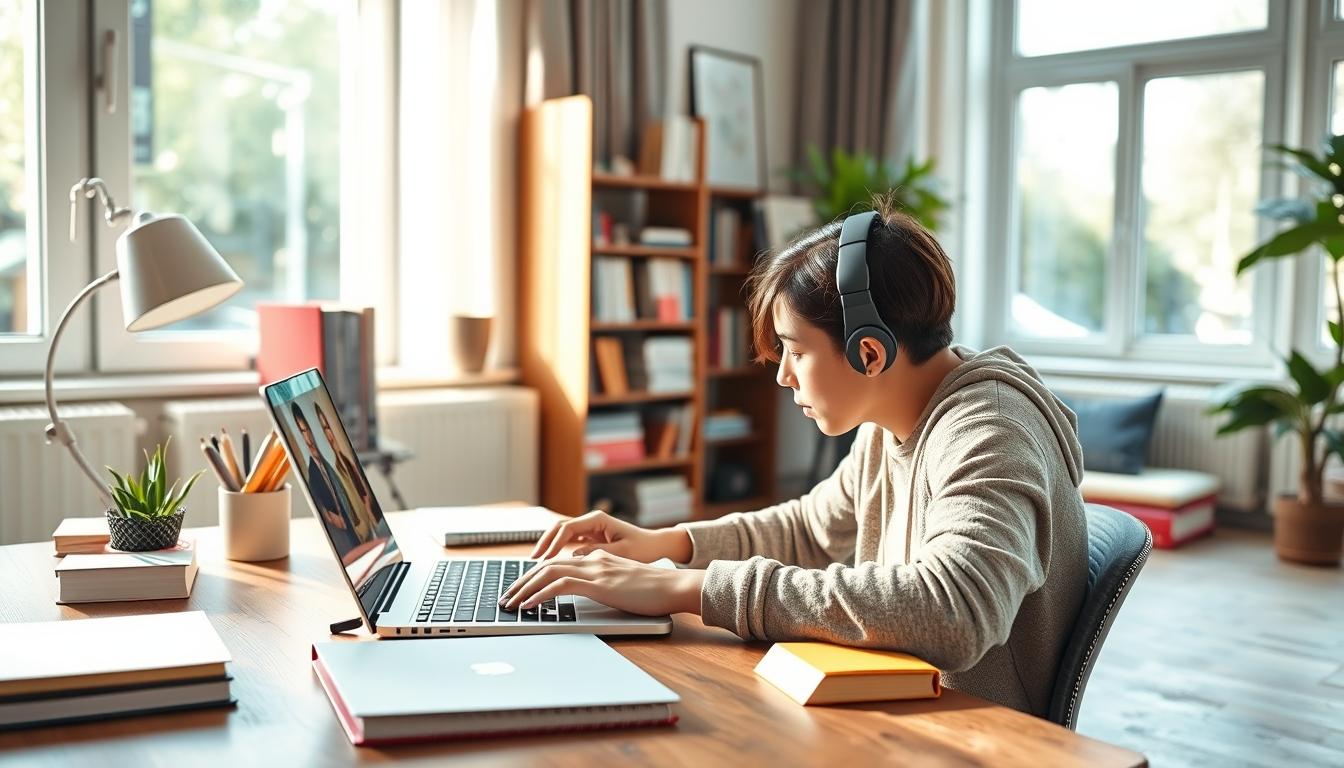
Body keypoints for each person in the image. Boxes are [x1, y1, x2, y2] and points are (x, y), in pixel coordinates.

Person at [501, 196, 1089, 717]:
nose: (783, 376)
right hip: (902, 707)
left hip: (973, 737)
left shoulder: (989, 431)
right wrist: (668, 545)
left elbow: (955, 611)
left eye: (795, 351)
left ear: (869, 352)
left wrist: (687, 590)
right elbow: (811, 528)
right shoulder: (894, 418)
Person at [292, 401, 361, 555]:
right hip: (345, 547)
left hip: (356, 539)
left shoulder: (330, 466)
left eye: (307, 430)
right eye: (302, 432)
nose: (308, 438)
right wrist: (328, 515)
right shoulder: (313, 476)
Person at [314, 402, 378, 543]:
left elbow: (366, 501)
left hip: (373, 533)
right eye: (324, 429)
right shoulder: (336, 468)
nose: (328, 434)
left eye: (328, 427)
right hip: (363, 538)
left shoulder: (348, 461)